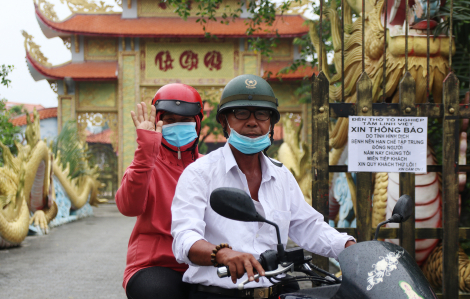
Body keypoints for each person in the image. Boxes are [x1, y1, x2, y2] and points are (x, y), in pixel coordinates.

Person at [171, 74, 355, 299]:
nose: (252, 121)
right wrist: (222, 254)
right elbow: (184, 238)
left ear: (270, 123)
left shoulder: (281, 175)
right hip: (219, 293)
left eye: (261, 113)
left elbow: (309, 226)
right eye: (241, 113)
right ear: (224, 122)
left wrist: (348, 246)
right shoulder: (200, 173)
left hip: (278, 291)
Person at [116, 83, 204, 299]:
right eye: (169, 120)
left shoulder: (209, 168)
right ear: (158, 123)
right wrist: (145, 151)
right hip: (154, 265)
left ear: (198, 123)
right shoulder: (146, 165)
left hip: (204, 261)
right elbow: (128, 207)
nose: (177, 126)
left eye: (185, 120)